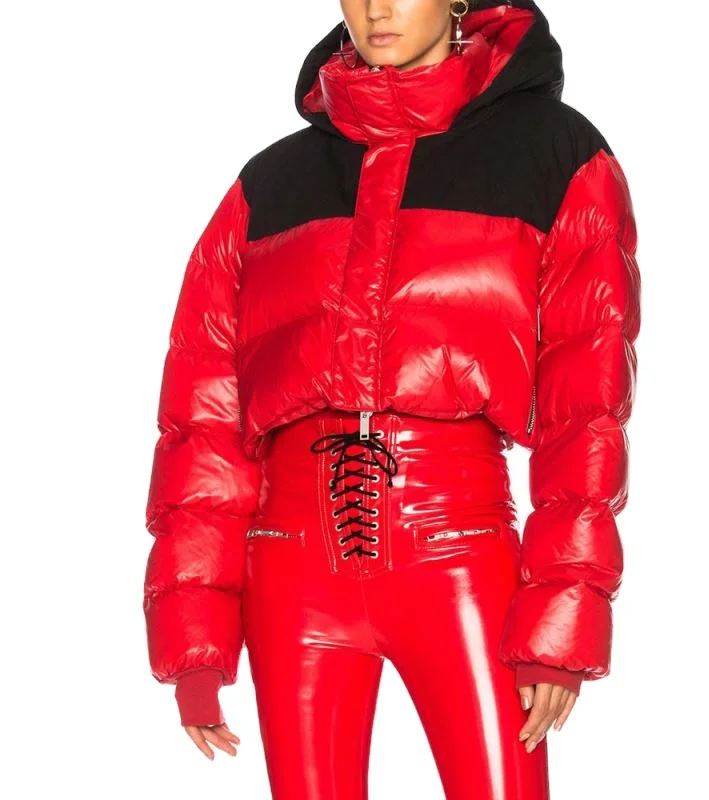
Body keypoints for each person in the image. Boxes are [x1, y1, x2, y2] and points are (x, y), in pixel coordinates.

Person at [142, 1, 641, 797]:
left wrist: (560, 616)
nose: (377, 8)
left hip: (459, 556)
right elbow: (203, 420)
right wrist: (194, 638)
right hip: (290, 572)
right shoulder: (267, 185)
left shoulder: (553, 154)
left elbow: (587, 405)